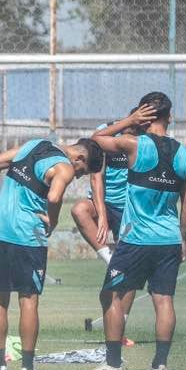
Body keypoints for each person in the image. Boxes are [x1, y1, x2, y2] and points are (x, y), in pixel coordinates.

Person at [85, 94, 186, 370]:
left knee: (110, 295)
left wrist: (128, 122)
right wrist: (183, 238)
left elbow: (95, 140)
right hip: (169, 239)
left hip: (135, 239)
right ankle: (159, 365)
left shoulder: (134, 144)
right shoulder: (185, 154)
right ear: (169, 117)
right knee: (164, 301)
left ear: (145, 117)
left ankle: (113, 364)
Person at [0, 134, 103, 370]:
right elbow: (54, 197)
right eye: (82, 171)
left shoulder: (33, 144)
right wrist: (54, 220)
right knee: (29, 300)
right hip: (28, 236)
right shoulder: (65, 167)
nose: (77, 176)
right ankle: (27, 369)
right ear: (80, 157)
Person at [70, 118, 130, 333]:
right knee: (79, 209)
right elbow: (96, 177)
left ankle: (122, 320)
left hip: (129, 208)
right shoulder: (106, 133)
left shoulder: (146, 140)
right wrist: (102, 215)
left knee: (128, 266)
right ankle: (109, 259)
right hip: (103, 202)